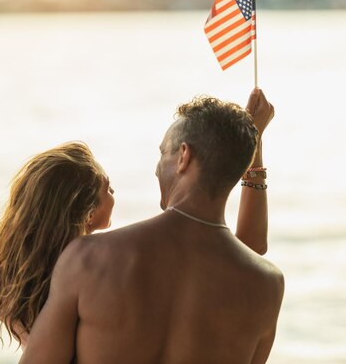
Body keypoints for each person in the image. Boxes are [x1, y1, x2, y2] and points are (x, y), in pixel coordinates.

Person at [0, 88, 274, 351]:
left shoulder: (17, 282)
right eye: (107, 187)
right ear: (84, 207)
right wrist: (249, 152)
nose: (115, 192)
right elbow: (242, 256)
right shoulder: (110, 261)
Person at [19, 88, 283, 364]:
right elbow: (243, 255)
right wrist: (254, 147)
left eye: (163, 153)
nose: (157, 168)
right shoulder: (266, 286)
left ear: (183, 156)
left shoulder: (89, 257)